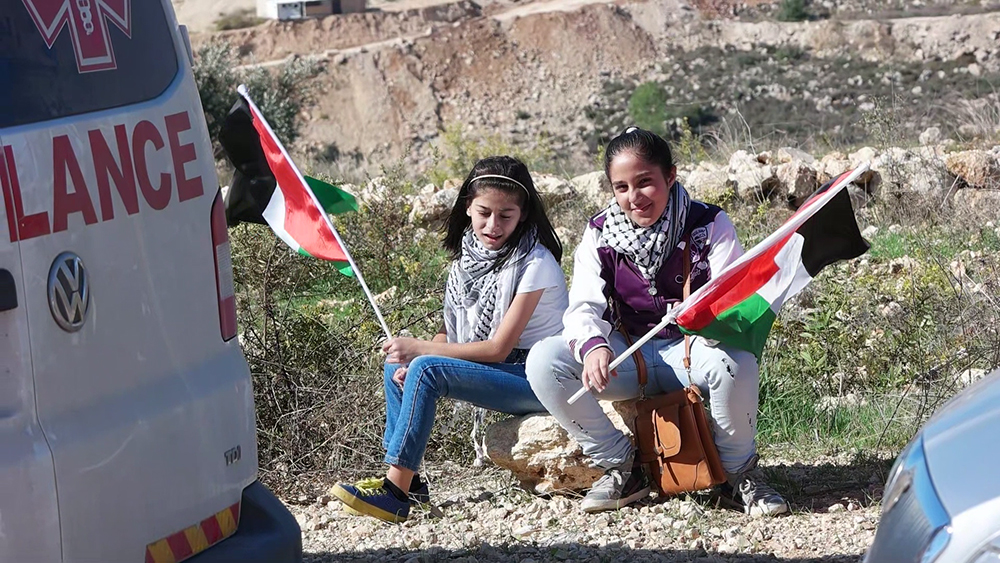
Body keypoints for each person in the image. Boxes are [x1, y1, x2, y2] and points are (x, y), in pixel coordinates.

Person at [525, 127, 789, 517]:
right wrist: (594, 345)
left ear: (671, 176)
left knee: (737, 361)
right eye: (621, 187)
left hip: (692, 352)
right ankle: (621, 467)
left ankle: (738, 476)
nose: (634, 198)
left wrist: (703, 313)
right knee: (545, 362)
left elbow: (732, 295)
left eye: (645, 182)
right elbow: (583, 306)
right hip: (632, 355)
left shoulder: (709, 224)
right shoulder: (599, 234)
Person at [332, 155, 568, 523]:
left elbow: (497, 348)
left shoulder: (535, 263)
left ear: (523, 215)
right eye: (484, 212)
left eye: (506, 215)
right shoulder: (465, 262)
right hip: (501, 371)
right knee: (400, 364)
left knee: (424, 366)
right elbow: (449, 331)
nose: (493, 225)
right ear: (468, 209)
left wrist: (422, 351)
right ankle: (409, 484)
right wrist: (414, 356)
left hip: (536, 376)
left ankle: (394, 493)